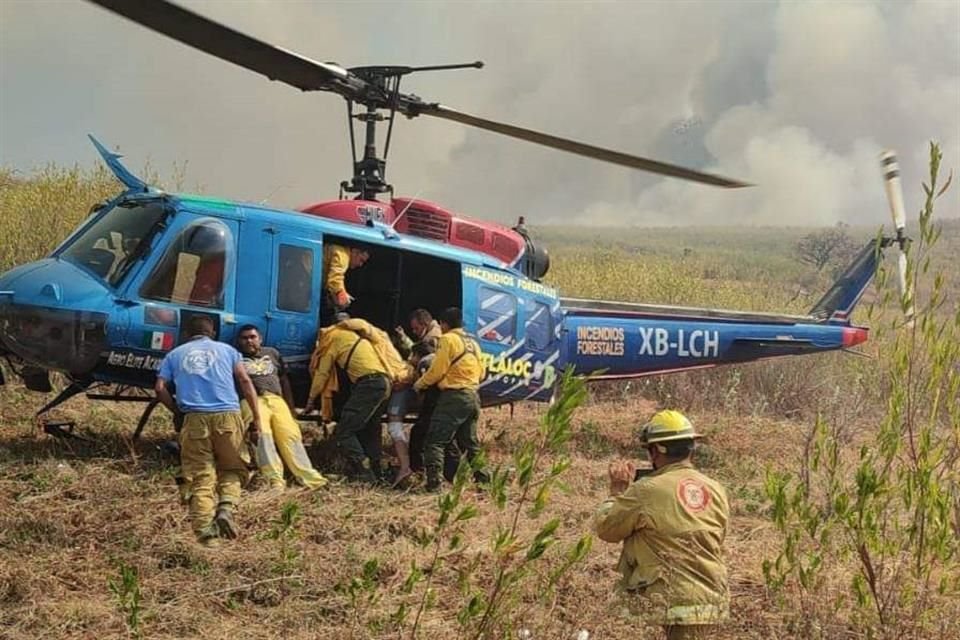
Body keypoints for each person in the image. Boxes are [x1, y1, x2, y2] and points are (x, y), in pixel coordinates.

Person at [593, 410, 729, 640]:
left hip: (668, 601)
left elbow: (607, 529)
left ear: (655, 450)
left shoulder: (646, 490)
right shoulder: (715, 488)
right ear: (691, 447)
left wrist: (617, 491)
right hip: (711, 600)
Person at [154, 315, 262, 547]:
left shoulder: (174, 355)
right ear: (213, 332)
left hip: (194, 418)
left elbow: (160, 389)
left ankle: (206, 536)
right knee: (234, 467)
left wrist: (176, 410)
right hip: (228, 416)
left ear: (186, 334)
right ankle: (225, 506)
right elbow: (245, 382)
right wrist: (257, 421)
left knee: (200, 475)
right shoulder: (228, 351)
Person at [235, 324, 328, 491]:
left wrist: (291, 407)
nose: (249, 341)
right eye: (244, 338)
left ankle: (311, 479)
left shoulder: (272, 353)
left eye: (252, 337)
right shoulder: (235, 357)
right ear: (239, 342)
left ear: (260, 339)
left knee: (290, 436)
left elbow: (284, 380)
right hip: (252, 401)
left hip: (277, 400)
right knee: (263, 436)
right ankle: (274, 480)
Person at [304, 321, 390, 483]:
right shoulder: (355, 337)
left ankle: (363, 472)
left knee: (344, 431)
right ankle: (378, 473)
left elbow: (322, 373)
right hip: (385, 383)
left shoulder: (332, 340)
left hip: (368, 384)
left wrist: (310, 400)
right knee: (371, 429)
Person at [412, 307, 487, 491]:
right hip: (473, 396)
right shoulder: (473, 343)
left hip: (453, 397)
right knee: (470, 444)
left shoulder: (448, 339)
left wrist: (419, 385)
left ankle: (434, 485)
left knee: (435, 441)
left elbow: (437, 370)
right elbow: (482, 373)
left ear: (444, 324)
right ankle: (485, 482)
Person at [387, 309, 443, 485]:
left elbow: (423, 363)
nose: (414, 331)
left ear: (424, 325)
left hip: (430, 393)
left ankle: (414, 469)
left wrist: (408, 383)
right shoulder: (428, 337)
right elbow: (417, 351)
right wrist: (404, 339)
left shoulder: (434, 340)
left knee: (419, 432)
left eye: (416, 328)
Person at [323, 243, 371, 311]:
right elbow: (335, 280)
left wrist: (343, 293)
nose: (360, 265)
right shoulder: (343, 255)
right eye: (361, 260)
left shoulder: (341, 252)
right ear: (355, 251)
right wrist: (341, 296)